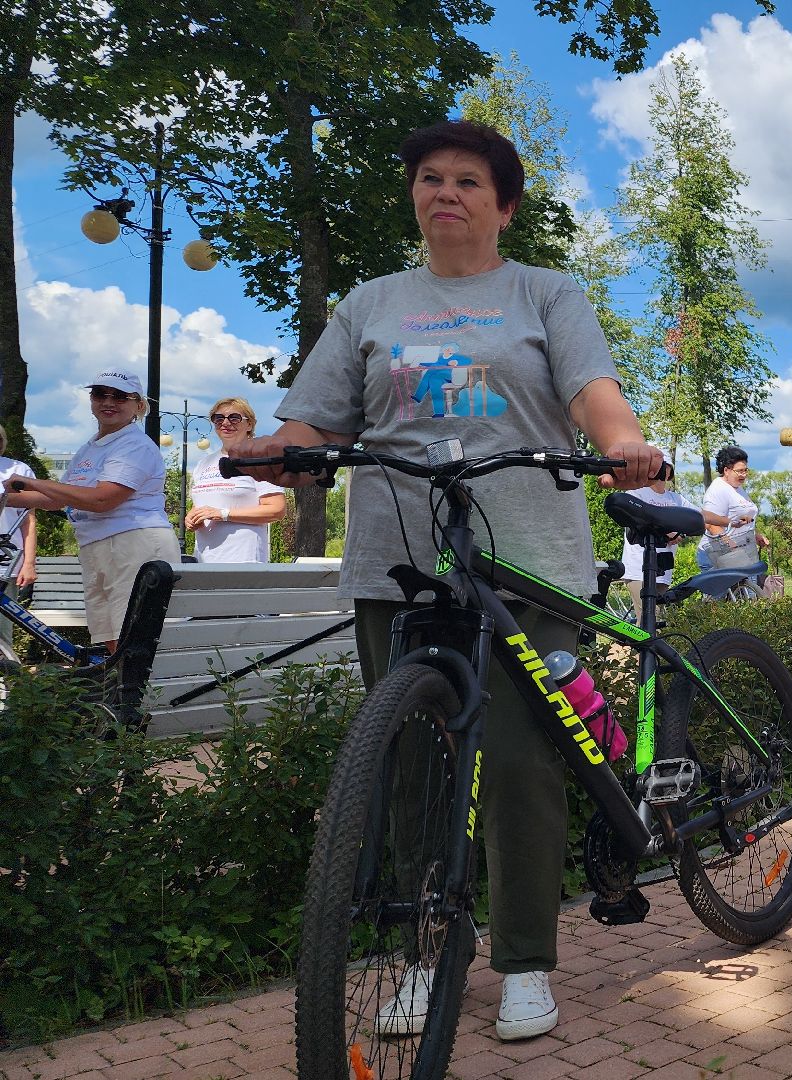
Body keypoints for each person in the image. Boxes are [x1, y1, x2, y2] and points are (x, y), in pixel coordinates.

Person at [228, 119, 661, 1043]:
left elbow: (593, 393)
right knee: (411, 769)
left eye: (469, 180)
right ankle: (425, 954)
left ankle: (524, 962)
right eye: (430, 178)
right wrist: (281, 455)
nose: (447, 193)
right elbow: (312, 420)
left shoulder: (545, 292)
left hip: (525, 560)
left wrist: (621, 444)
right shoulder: (373, 303)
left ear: (503, 205)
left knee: (516, 761)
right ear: (414, 196)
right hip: (400, 563)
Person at [4, 371, 179, 652]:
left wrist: (34, 482)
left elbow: (101, 501)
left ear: (139, 406)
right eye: (100, 394)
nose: (108, 402)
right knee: (109, 633)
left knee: (136, 635)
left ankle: (145, 695)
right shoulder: (91, 447)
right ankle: (122, 693)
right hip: (97, 544)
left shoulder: (134, 444)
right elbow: (57, 499)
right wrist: (6, 497)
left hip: (134, 543)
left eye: (120, 396)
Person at [185, 398, 287, 563]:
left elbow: (277, 509)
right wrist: (192, 518)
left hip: (243, 559)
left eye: (234, 418)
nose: (225, 423)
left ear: (249, 425)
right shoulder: (203, 464)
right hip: (205, 559)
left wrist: (224, 514)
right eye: (219, 418)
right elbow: (203, 505)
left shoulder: (258, 460)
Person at [618, 462, 725, 599]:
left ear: (670, 471)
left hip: (663, 570)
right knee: (649, 615)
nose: (662, 470)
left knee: (659, 616)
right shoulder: (636, 493)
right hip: (639, 569)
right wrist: (667, 532)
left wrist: (728, 521)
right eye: (658, 465)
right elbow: (638, 519)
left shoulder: (676, 499)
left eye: (666, 466)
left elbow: (700, 515)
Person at [698, 446, 770, 575]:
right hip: (720, 553)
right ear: (726, 470)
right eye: (740, 471)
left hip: (742, 552)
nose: (744, 475)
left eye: (746, 470)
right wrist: (730, 545)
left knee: (749, 593)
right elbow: (710, 524)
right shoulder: (718, 489)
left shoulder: (738, 489)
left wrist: (755, 536)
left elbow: (743, 520)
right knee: (725, 594)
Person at [0, 430, 38, 598]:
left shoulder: (18, 470)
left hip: (6, 562)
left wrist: (29, 563)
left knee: (3, 624)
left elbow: (28, 521)